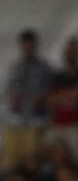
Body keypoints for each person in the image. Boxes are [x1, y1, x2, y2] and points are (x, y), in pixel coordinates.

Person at [4, 28, 54, 171]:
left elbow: (49, 94)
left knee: (31, 161)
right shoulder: (15, 67)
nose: (27, 48)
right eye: (25, 45)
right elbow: (9, 90)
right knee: (10, 161)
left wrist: (41, 99)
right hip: (14, 121)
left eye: (30, 45)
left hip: (34, 122)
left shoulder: (44, 68)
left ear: (35, 46)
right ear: (21, 46)